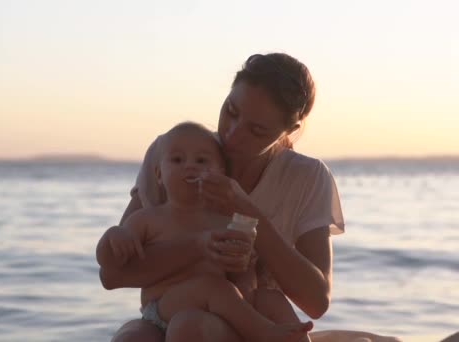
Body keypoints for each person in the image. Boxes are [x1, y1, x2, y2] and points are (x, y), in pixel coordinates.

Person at [98, 52, 398, 342]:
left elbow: (316, 301)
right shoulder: (178, 154)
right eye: (231, 111)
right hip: (172, 307)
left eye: (256, 129)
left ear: (289, 130)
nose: (233, 133)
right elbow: (112, 275)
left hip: (255, 315)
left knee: (191, 329)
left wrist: (247, 212)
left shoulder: (306, 177)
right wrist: (198, 247)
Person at [97, 122, 313, 342]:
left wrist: (244, 280)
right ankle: (263, 332)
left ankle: (295, 337)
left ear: (220, 173)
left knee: (270, 298)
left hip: (214, 315)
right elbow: (110, 265)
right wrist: (113, 237)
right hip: (163, 310)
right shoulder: (148, 219)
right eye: (177, 160)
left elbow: (244, 277)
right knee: (210, 286)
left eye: (201, 161)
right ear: (159, 174)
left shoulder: (224, 223)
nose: (190, 166)